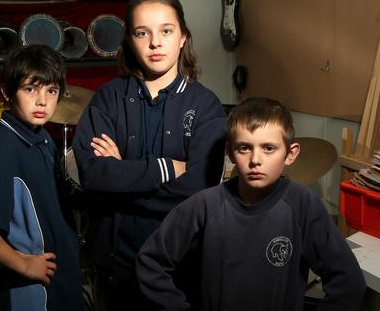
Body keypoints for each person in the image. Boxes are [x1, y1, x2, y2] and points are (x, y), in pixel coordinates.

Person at [71, 0, 227, 309]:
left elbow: (198, 189)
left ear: (183, 37)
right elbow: (93, 175)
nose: (155, 43)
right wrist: (168, 168)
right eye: (143, 33)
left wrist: (121, 176)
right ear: (130, 40)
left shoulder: (206, 106)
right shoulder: (108, 99)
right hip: (115, 266)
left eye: (166, 31)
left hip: (180, 266)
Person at [136, 97, 366, 311]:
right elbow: (151, 262)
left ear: (290, 154)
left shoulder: (302, 204)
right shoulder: (205, 205)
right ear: (230, 152)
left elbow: (347, 281)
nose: (255, 160)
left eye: (269, 148)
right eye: (244, 148)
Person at [0, 44, 85, 311]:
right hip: (29, 291)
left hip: (57, 279)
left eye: (51, 91)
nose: (42, 101)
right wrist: (25, 264)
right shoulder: (5, 148)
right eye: (30, 89)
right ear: (7, 93)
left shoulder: (40, 136)